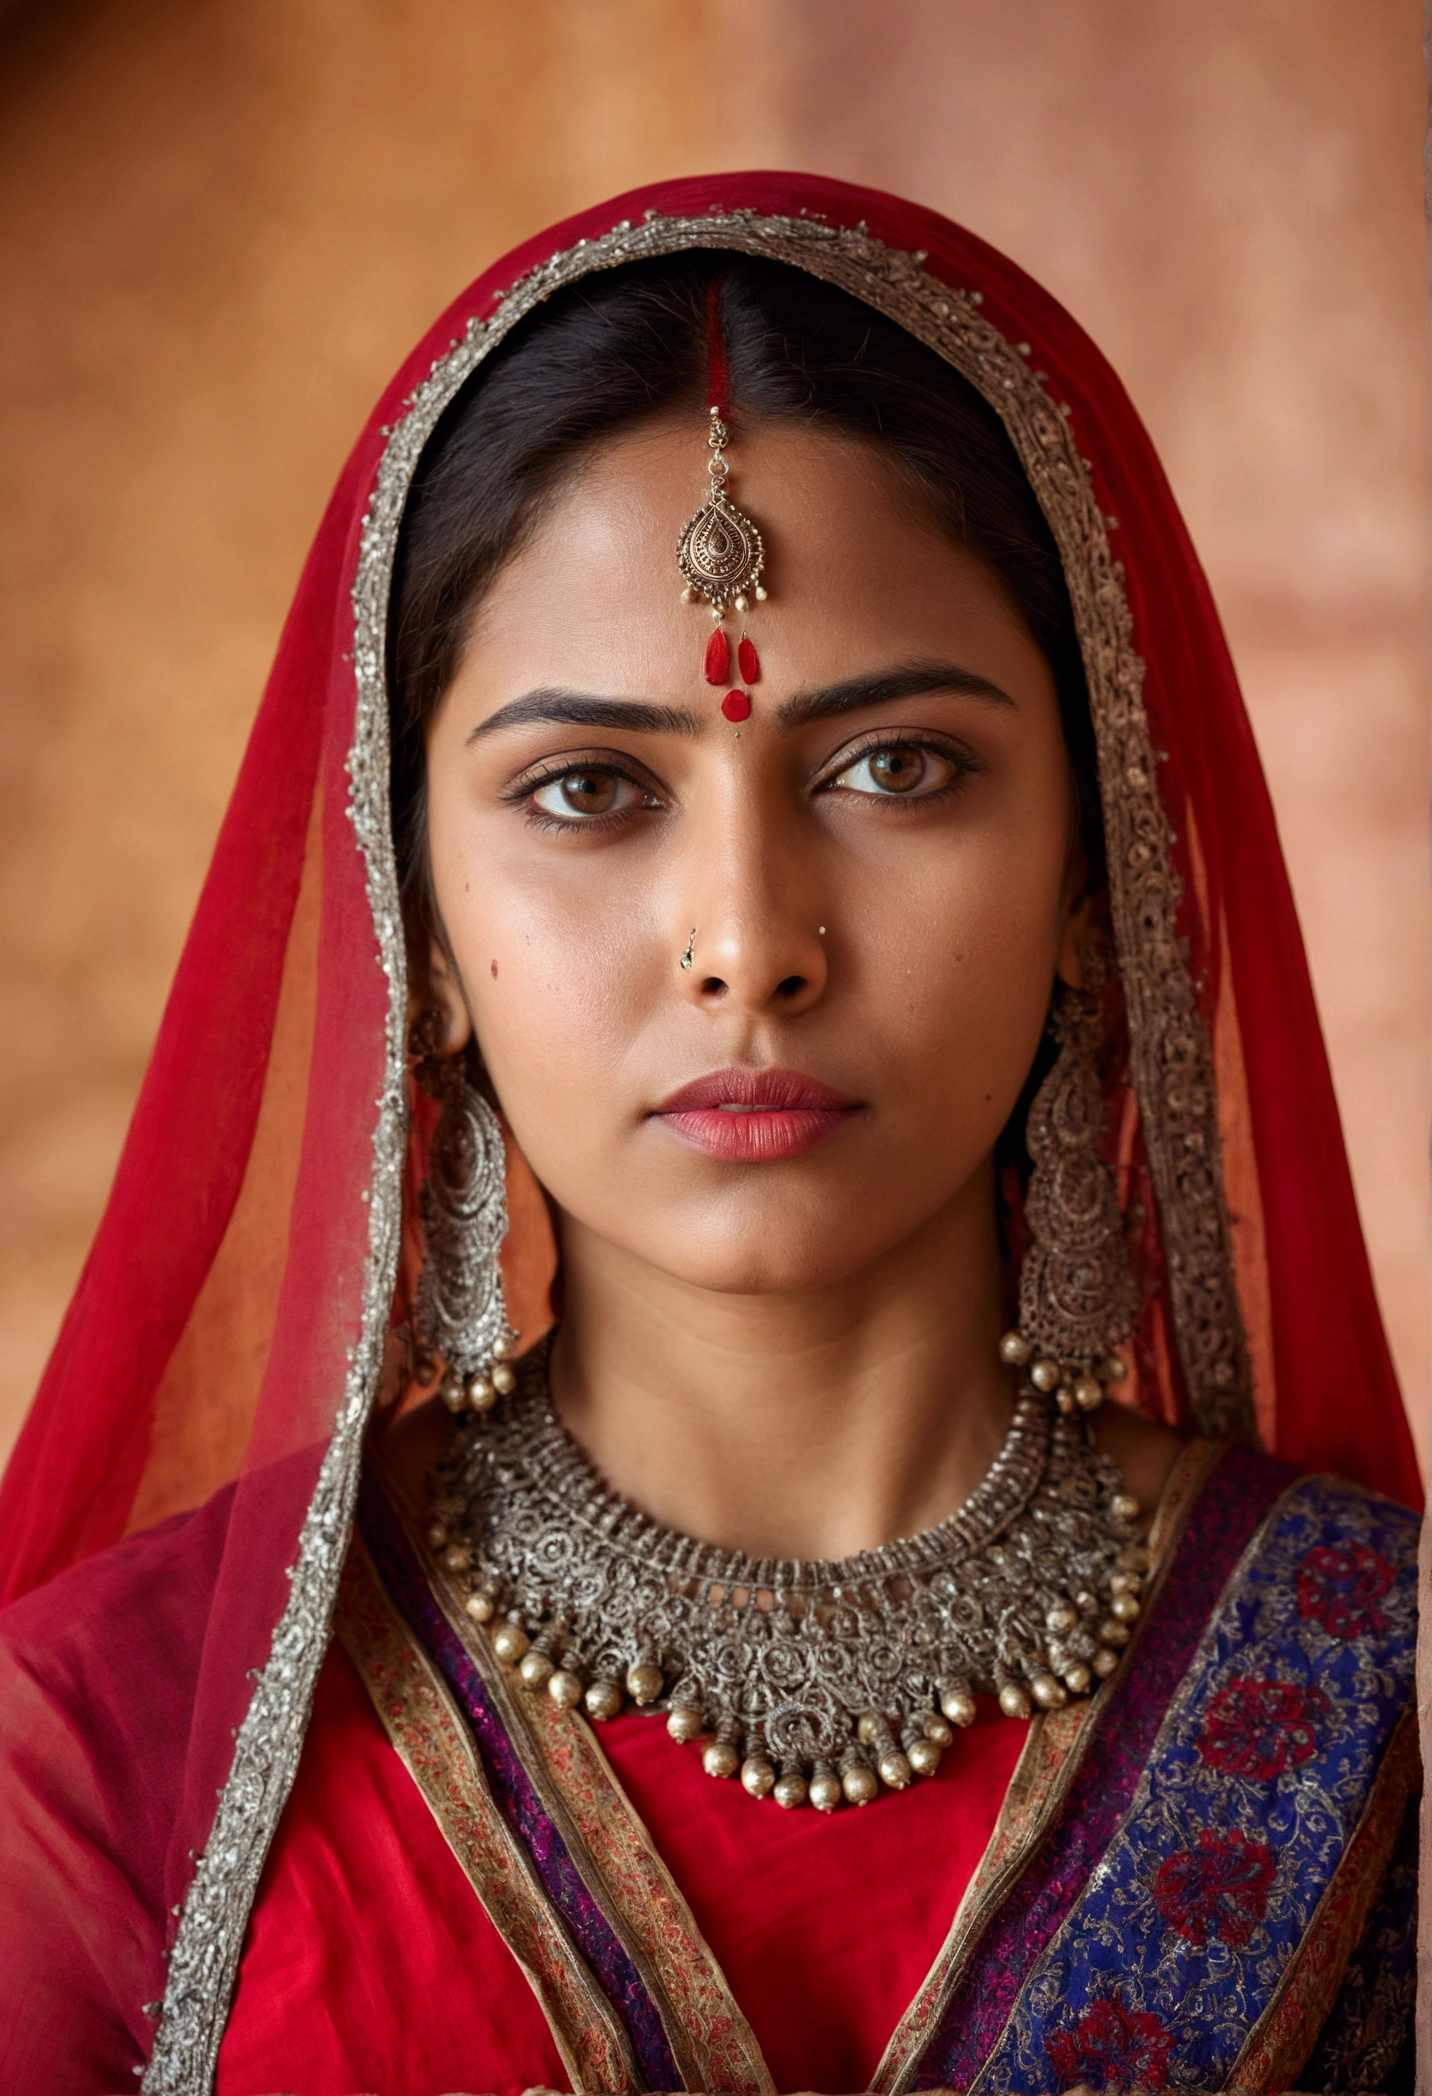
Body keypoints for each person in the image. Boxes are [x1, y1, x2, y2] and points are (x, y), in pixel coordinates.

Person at [0, 172, 1420, 2096]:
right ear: (414, 917)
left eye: (895, 769)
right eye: (589, 790)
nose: (751, 945)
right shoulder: (109, 1765)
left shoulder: (1379, 1707)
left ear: (1098, 868)